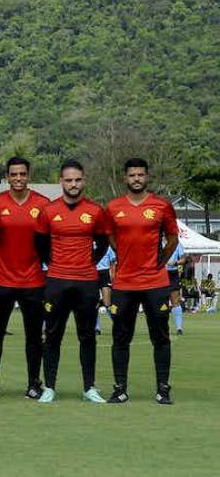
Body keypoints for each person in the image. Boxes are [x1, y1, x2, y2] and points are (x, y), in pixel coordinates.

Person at [34, 160, 111, 403]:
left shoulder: (95, 211)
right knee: (53, 335)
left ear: (84, 180)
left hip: (87, 282)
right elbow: (40, 245)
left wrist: (88, 262)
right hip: (56, 282)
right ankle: (49, 387)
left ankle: (90, 388)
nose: (73, 184)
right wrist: (55, 264)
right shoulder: (48, 211)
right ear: (61, 182)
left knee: (87, 336)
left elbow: (103, 244)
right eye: (69, 180)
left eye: (77, 180)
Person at [105, 158, 178, 404]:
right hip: (124, 283)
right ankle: (120, 389)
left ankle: (163, 389)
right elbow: (111, 237)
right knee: (121, 337)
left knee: (161, 337)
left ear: (147, 177)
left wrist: (160, 262)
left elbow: (172, 239)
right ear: (125, 178)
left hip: (155, 282)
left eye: (141, 175)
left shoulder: (162, 206)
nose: (137, 179)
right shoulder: (113, 207)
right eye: (132, 175)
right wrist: (124, 258)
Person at [0, 156, 50, 399]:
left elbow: (49, 242)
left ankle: (34, 383)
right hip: (1, 280)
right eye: (14, 174)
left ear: (29, 175)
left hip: (33, 281)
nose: (18, 179)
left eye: (22, 174)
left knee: (34, 337)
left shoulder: (43, 204)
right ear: (7, 177)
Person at [165, 244, 186, 334]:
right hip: (160, 274)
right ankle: (164, 328)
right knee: (161, 303)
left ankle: (179, 328)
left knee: (175, 301)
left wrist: (176, 262)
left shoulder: (177, 244)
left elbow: (183, 259)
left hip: (173, 273)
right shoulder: (156, 242)